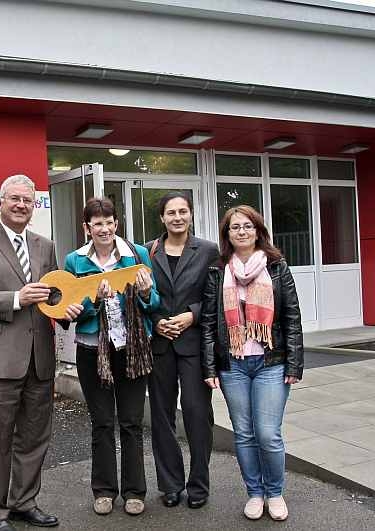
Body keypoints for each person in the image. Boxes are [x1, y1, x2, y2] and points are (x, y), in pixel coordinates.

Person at [0, 174, 74, 531]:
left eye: (28, 200)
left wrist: (68, 307)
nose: (22, 205)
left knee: (35, 436)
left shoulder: (44, 244)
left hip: (38, 358)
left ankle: (24, 502)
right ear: (1, 202)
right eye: (15, 199)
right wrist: (15, 299)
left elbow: (52, 294)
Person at [200, 205, 303, 522]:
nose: (241, 231)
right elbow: (207, 323)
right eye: (235, 227)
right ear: (227, 234)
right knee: (243, 434)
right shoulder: (219, 271)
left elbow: (292, 316)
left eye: (247, 226)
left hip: (271, 362)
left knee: (268, 433)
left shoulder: (276, 267)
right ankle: (255, 494)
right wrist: (209, 367)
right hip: (233, 364)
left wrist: (294, 364)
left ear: (258, 231)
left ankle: (275, 493)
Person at [63, 197, 160, 517]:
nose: (103, 228)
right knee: (102, 423)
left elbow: (154, 302)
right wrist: (93, 299)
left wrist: (146, 293)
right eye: (97, 223)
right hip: (93, 351)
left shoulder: (137, 255)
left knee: (131, 422)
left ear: (116, 224)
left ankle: (134, 491)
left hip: (132, 348)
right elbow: (72, 310)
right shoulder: (74, 262)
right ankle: (104, 490)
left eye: (108, 222)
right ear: (86, 228)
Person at [144, 192, 219, 509]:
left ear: (191, 214)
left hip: (193, 345)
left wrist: (192, 315)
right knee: (161, 418)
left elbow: (216, 296)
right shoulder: (148, 250)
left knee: (197, 415)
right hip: (160, 345)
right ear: (161, 217)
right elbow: (142, 295)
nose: (177, 217)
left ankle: (199, 486)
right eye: (171, 212)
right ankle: (170, 485)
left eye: (183, 211)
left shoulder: (208, 250)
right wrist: (158, 321)